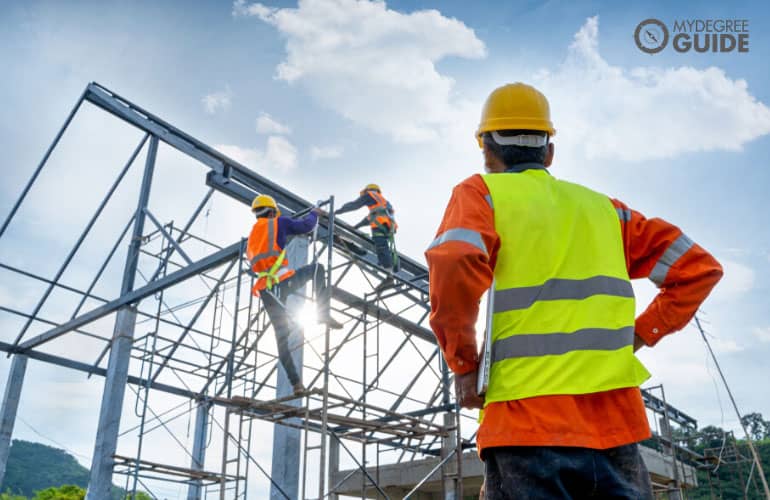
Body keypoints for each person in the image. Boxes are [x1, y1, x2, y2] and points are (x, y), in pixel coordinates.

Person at [425, 83, 723, 499]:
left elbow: (455, 259)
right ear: (549, 152)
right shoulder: (606, 210)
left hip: (523, 424)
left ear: (487, 151)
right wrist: (638, 335)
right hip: (615, 428)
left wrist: (462, 364)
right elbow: (699, 268)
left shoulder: (480, 194)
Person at [247, 194, 344, 393]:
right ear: (272, 211)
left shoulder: (254, 234)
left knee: (281, 339)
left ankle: (296, 384)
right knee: (317, 269)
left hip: (266, 289)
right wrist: (314, 214)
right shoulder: (279, 222)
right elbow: (305, 227)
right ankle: (322, 313)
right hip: (281, 281)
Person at [337, 184, 399, 274]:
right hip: (388, 227)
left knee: (381, 247)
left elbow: (354, 205)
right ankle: (384, 265)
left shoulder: (370, 194)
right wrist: (355, 227)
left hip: (380, 226)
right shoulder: (383, 203)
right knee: (381, 246)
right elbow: (369, 219)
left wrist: (337, 211)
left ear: (367, 190)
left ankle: (389, 272)